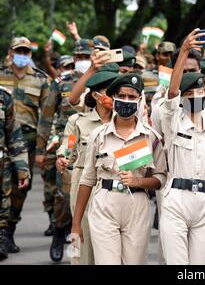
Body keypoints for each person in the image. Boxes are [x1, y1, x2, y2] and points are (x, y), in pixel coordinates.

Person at [71, 73, 167, 265]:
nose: (127, 101)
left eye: (132, 97)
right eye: (122, 96)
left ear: (140, 100)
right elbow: (87, 179)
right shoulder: (99, 135)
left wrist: (138, 181)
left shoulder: (151, 137)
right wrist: (76, 224)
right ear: (113, 98)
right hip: (105, 203)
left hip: (137, 205)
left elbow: (160, 178)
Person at [158, 29, 205, 265]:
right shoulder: (172, 121)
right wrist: (183, 51)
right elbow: (171, 92)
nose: (195, 96)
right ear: (182, 98)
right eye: (189, 93)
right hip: (176, 201)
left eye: (199, 92)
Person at [56, 64, 119, 265]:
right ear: (96, 95)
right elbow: (69, 143)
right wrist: (62, 157)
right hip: (83, 182)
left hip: (114, 183)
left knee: (109, 239)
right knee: (80, 232)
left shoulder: (124, 122)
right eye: (109, 92)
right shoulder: (78, 120)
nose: (114, 96)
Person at [0, 37, 49, 253]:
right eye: (18, 50)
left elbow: (47, 116)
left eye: (26, 51)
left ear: (30, 54)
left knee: (21, 186)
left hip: (26, 141)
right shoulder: (1, 74)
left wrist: (41, 148)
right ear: (10, 53)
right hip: (3, 137)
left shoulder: (40, 79)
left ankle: (9, 230)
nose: (22, 54)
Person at [35, 52, 80, 261]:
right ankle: (59, 232)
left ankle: (81, 247)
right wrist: (40, 149)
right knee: (64, 194)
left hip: (95, 141)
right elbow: (46, 116)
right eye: (79, 55)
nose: (83, 58)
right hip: (66, 142)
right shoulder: (61, 83)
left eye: (87, 55)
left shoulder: (102, 79)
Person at [0, 86, 30, 260]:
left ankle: (2, 238)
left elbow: (14, 136)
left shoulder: (4, 98)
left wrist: (22, 169)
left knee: (4, 204)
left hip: (2, 163)